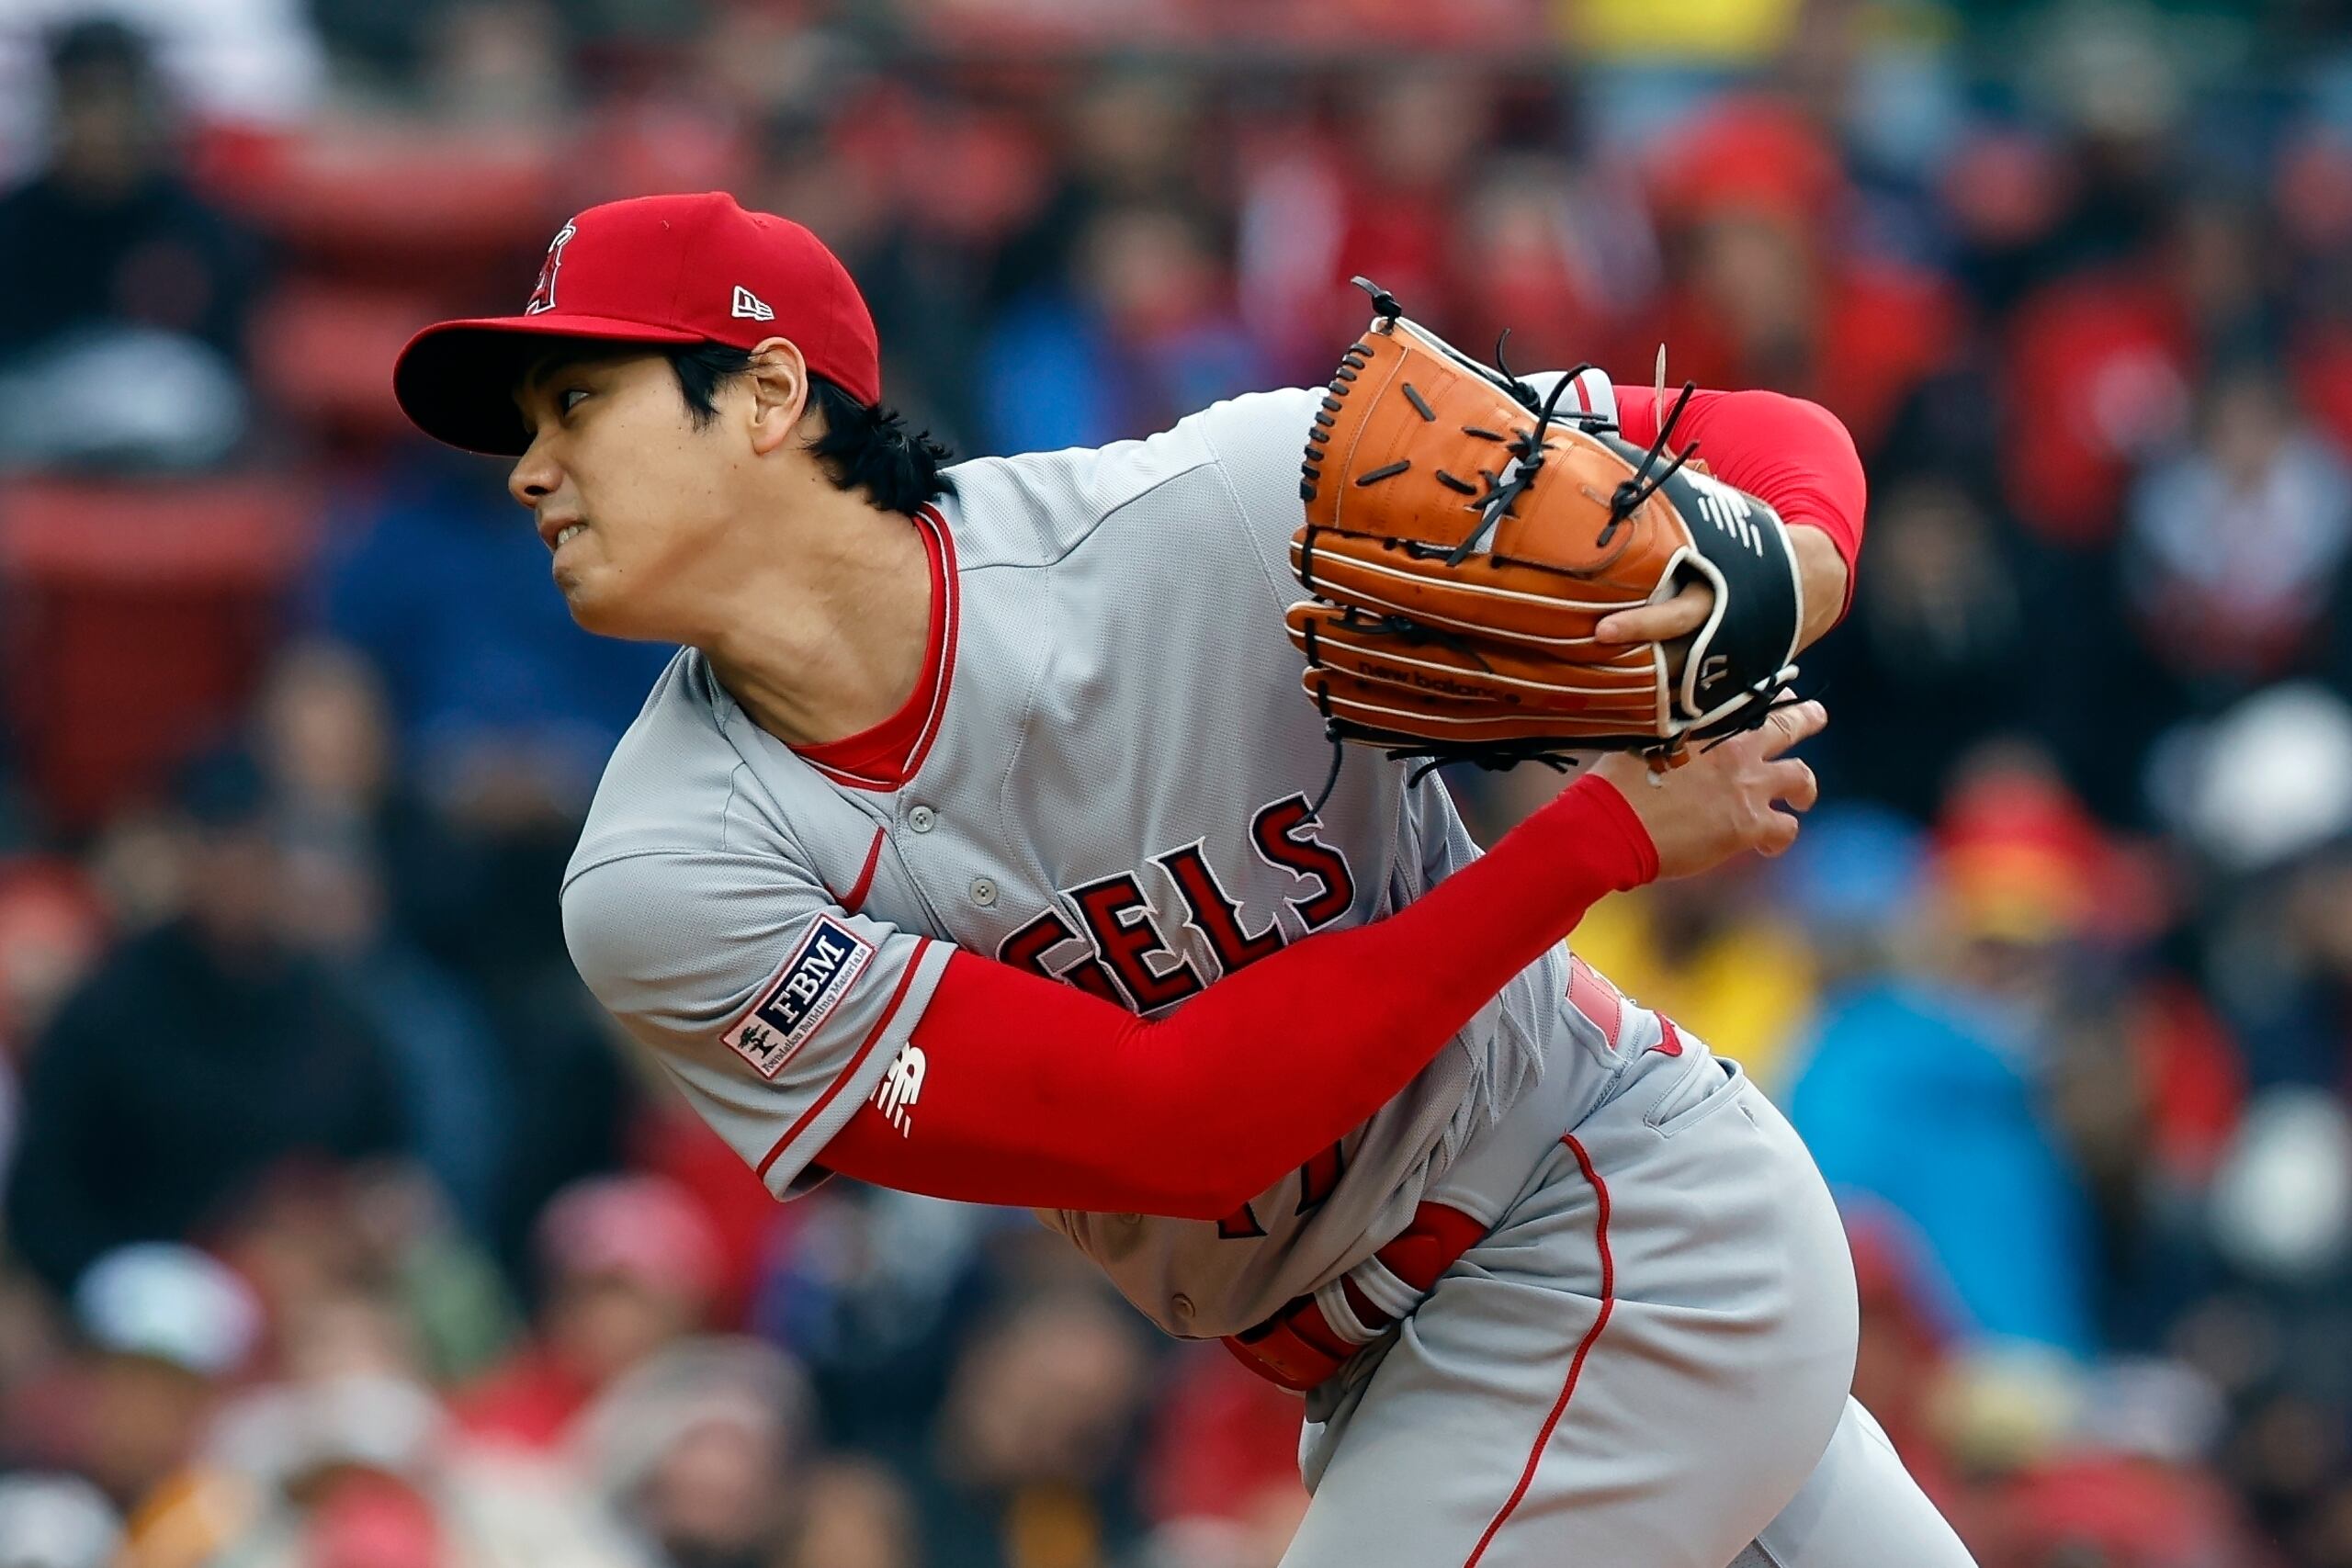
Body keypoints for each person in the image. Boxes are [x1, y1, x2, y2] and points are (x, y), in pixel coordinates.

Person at [391, 190, 1975, 1567]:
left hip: (1600, 1212)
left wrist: (1795, 561)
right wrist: (1593, 845)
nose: (529, 471)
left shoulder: (1220, 507)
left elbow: (1757, 439)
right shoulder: (667, 878)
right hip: (1388, 1362)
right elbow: (1178, 1130)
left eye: (575, 403)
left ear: (767, 394)